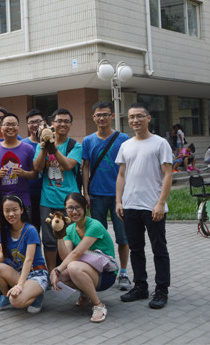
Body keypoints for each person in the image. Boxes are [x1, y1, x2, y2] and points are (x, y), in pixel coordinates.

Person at [116, 102, 172, 310]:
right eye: (131, 117)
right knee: (136, 248)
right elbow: (121, 175)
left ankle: (162, 290)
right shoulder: (126, 145)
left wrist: (160, 203)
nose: (135, 120)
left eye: (139, 116)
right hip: (130, 205)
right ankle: (140, 286)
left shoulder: (160, 143)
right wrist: (119, 201)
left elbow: (168, 174)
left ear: (148, 118)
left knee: (159, 248)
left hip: (152, 206)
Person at [81, 101, 131, 290]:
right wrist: (86, 192)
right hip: (96, 196)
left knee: (122, 237)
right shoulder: (88, 141)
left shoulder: (123, 139)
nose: (102, 118)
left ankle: (123, 272)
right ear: (93, 118)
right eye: (98, 115)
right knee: (96, 236)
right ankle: (100, 269)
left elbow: (127, 167)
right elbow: (85, 167)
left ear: (112, 116)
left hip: (119, 197)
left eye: (105, 114)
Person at [50, 193, 118, 323]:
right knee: (60, 278)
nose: (74, 212)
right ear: (65, 209)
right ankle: (85, 293)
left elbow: (76, 254)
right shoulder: (70, 229)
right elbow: (65, 256)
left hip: (106, 275)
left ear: (85, 207)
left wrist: (56, 270)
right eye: (70, 208)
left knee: (73, 267)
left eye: (78, 208)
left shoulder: (94, 225)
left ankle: (98, 305)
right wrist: (59, 236)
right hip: (89, 270)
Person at [33, 108, 82, 273]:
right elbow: (37, 167)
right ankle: (51, 273)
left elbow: (68, 165)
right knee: (49, 241)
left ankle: (67, 272)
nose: (63, 124)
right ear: (52, 123)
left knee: (70, 240)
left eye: (66, 121)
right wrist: (43, 147)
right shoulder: (41, 145)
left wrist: (53, 149)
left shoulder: (75, 146)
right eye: (59, 121)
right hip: (47, 200)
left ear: (71, 124)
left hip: (70, 201)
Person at [0, 195, 48, 314]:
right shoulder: (5, 230)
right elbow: (3, 253)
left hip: (37, 274)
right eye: (7, 211)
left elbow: (29, 260)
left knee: (16, 301)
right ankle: (5, 296)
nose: (11, 214)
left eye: (14, 209)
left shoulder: (30, 230)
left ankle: (37, 296)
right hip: (19, 273)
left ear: (22, 210)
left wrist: (20, 285)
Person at [0, 113, 37, 220]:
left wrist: (24, 173)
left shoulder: (28, 149)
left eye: (14, 124)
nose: (10, 127)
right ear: (1, 127)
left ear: (18, 127)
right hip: (1, 200)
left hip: (23, 200)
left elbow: (35, 174)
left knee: (24, 228)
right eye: (7, 124)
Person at [22, 109, 45, 231]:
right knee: (32, 229)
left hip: (47, 194)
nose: (35, 125)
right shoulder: (22, 144)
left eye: (38, 121)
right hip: (29, 194)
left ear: (44, 122)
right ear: (27, 125)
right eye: (31, 122)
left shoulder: (52, 142)